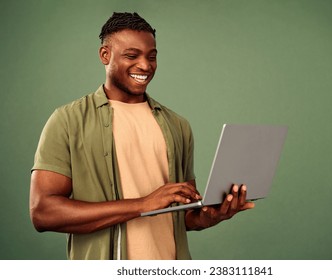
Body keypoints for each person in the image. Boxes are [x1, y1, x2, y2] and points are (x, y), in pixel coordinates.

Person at [29, 12, 254, 260]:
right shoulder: (67, 120)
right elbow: (43, 212)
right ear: (105, 55)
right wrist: (142, 204)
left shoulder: (178, 125)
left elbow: (184, 216)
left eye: (152, 56)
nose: (145, 65)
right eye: (132, 55)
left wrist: (210, 216)